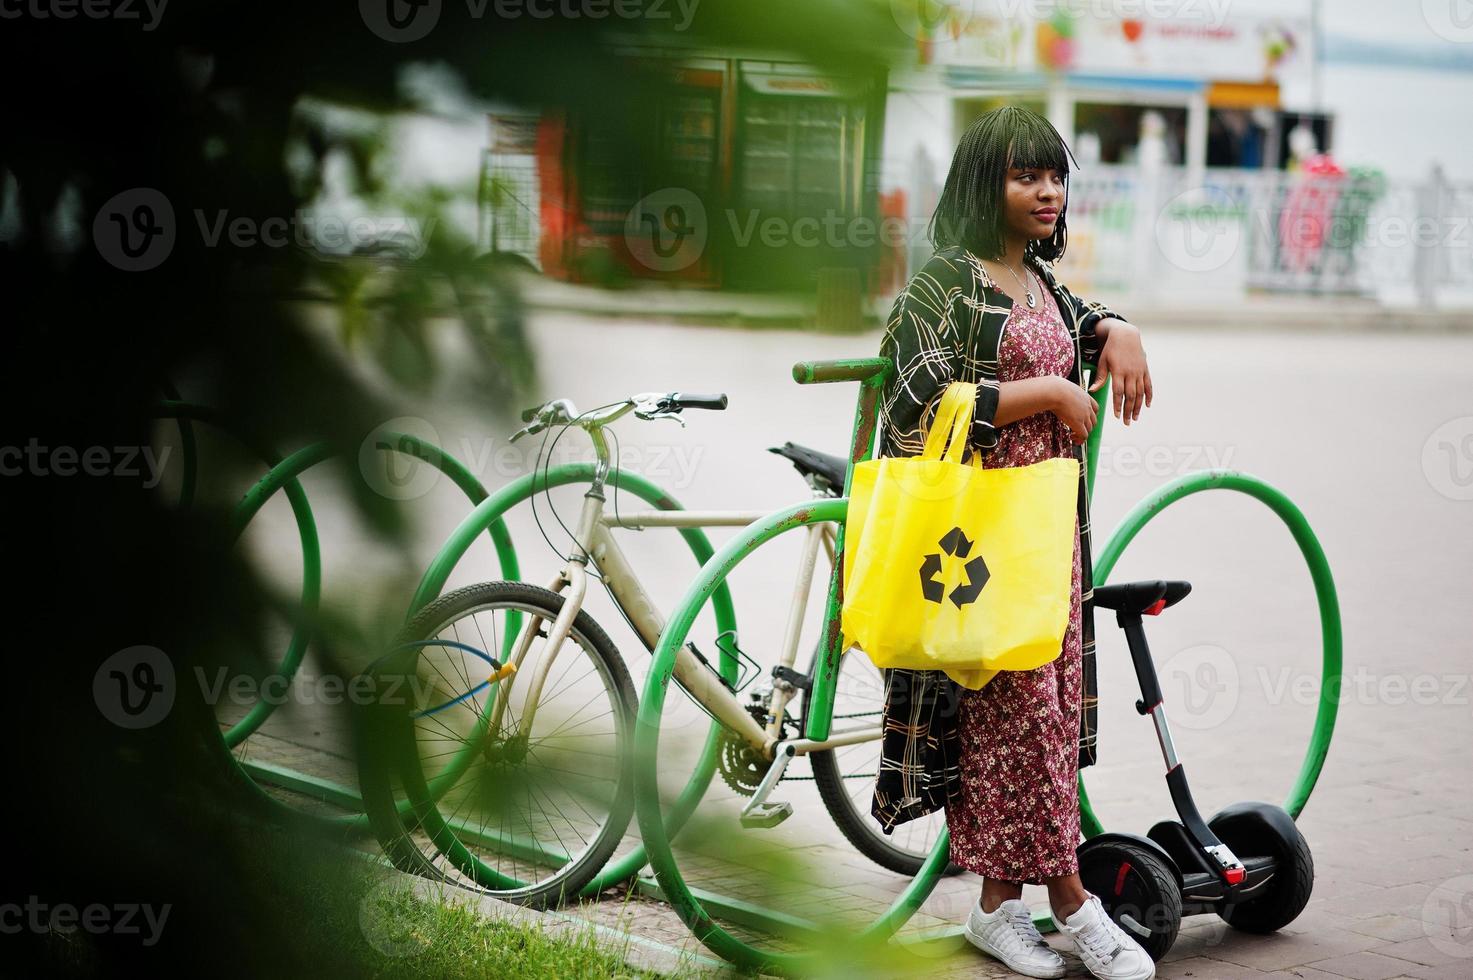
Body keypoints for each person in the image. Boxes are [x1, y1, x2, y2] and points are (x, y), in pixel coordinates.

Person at [872, 106, 1155, 979]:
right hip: (973, 549)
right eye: (1023, 175)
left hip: (1046, 541)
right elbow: (908, 405)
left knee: (1046, 717)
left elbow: (1076, 320)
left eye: (1054, 176)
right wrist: (1043, 395)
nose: (1046, 192)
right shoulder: (944, 283)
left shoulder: (1037, 280)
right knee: (1020, 719)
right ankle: (1074, 905)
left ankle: (996, 909)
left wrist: (1116, 330)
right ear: (980, 185)